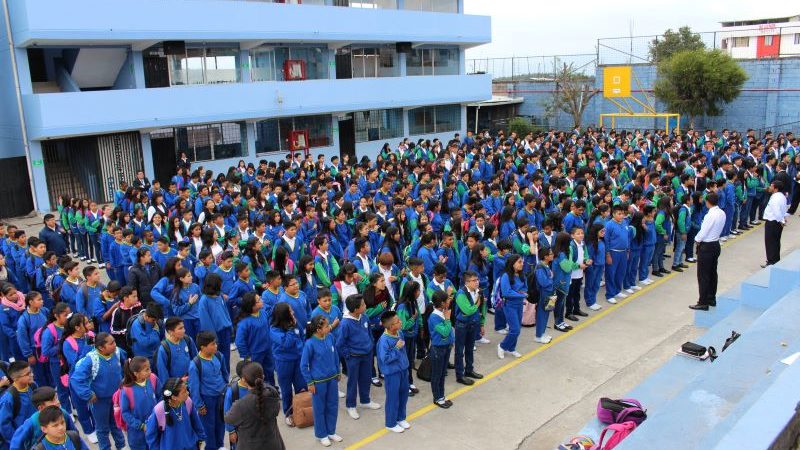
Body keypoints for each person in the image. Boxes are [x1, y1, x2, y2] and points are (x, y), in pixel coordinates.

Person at [70, 333, 127, 450]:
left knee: (116, 424)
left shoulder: (117, 352)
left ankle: (121, 446)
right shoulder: (91, 360)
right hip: (99, 401)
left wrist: (125, 380)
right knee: (102, 429)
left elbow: (126, 366)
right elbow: (76, 379)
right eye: (111, 343)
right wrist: (88, 394)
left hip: (116, 398)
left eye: (114, 341)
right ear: (101, 347)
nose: (115, 345)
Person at [300, 315, 342, 447]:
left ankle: (331, 431)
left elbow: (335, 355)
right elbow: (304, 365)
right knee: (319, 409)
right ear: (318, 329)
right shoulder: (310, 344)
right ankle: (321, 434)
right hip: (319, 382)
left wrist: (338, 371)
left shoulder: (330, 337)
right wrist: (310, 382)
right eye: (326, 326)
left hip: (332, 379)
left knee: (333, 405)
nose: (329, 327)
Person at [337, 294, 380, 420]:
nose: (365, 306)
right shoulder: (345, 323)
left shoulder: (365, 317)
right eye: (363, 305)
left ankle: (365, 400)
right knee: (352, 381)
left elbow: (369, 333)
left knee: (366, 378)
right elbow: (340, 343)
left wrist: (370, 344)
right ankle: (351, 405)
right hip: (354, 357)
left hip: (367, 355)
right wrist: (348, 355)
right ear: (355, 309)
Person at [223, 362, 285, 450]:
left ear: (244, 380)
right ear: (262, 377)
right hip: (273, 443)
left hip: (250, 445)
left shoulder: (241, 405)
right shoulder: (272, 393)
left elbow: (228, 418)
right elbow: (277, 410)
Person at [188, 331, 228, 450]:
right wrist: (200, 405)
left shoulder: (219, 356)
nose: (216, 346)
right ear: (203, 347)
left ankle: (220, 446)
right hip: (207, 401)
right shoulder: (195, 364)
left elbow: (225, 375)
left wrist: (226, 391)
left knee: (221, 424)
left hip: (221, 398)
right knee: (208, 428)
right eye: (212, 344)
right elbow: (194, 388)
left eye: (215, 343)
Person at [269, 302, 306, 426]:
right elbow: (286, 343)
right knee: (286, 389)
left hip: (298, 359)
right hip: (284, 362)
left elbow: (301, 335)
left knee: (301, 386)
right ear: (284, 315)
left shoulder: (294, 323)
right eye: (290, 311)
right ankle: (288, 413)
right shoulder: (274, 330)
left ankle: (302, 410)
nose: (293, 313)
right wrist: (291, 329)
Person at [145, 377, 206, 450]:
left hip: (191, 447)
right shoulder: (159, 410)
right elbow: (151, 435)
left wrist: (201, 439)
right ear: (174, 397)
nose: (188, 393)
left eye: (186, 389)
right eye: (184, 392)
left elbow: (196, 423)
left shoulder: (188, 402)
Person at [376, 310, 411, 434]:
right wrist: (396, 348)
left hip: (402, 370)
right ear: (391, 327)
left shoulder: (399, 332)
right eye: (398, 321)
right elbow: (385, 359)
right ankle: (390, 423)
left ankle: (400, 418)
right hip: (392, 373)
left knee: (403, 395)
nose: (400, 322)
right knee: (393, 398)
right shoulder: (384, 340)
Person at [690, 193, 725, 311]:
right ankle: (711, 298)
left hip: (707, 246)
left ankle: (703, 301)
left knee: (703, 275)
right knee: (712, 273)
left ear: (708, 202)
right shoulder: (721, 213)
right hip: (715, 244)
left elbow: (704, 231)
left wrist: (697, 240)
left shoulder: (710, 215)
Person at [119, 357, 158, 450]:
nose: (150, 371)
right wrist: (140, 426)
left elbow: (160, 396)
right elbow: (125, 413)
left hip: (155, 427)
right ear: (136, 374)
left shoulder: (153, 379)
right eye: (146, 370)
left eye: (150, 368)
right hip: (137, 435)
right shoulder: (127, 390)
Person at [453, 271, 484, 385]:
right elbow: (468, 310)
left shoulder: (478, 292)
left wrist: (481, 323)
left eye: (477, 280)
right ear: (467, 282)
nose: (477, 282)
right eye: (474, 280)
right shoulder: (461, 294)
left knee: (470, 348)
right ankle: (459, 375)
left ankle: (469, 370)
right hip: (462, 325)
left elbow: (482, 309)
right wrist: (477, 304)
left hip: (473, 323)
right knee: (459, 351)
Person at [428, 290, 454, 409]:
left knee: (442, 373)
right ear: (442, 303)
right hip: (438, 349)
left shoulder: (443, 312)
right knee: (437, 374)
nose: (450, 301)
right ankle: (437, 397)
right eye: (447, 300)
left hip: (446, 347)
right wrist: (448, 319)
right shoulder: (434, 317)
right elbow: (445, 331)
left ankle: (441, 395)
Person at [762, 180, 789, 267]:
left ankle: (771, 262)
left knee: (770, 242)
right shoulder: (782, 196)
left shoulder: (775, 198)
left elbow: (776, 211)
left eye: (771, 186)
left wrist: (781, 221)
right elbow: (784, 209)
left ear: (776, 188)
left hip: (773, 222)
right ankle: (776, 260)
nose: (770, 187)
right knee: (776, 242)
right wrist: (783, 219)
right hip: (777, 222)